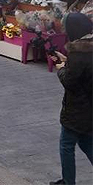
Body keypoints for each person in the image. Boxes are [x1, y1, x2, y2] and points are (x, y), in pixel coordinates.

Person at [51, 13, 92, 185]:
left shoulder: (79, 51)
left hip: (77, 110)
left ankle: (68, 182)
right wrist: (68, 62)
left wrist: (61, 68)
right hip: (89, 108)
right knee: (86, 142)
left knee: (66, 146)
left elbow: (70, 81)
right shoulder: (88, 49)